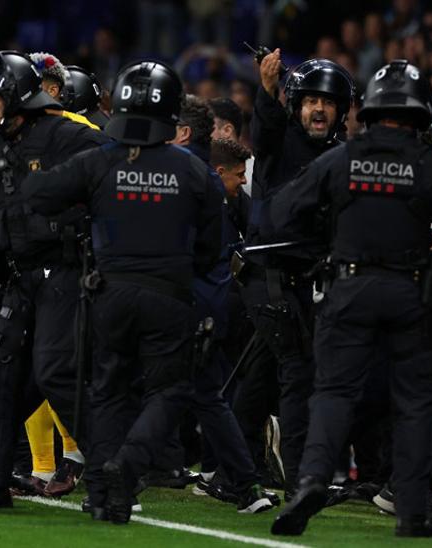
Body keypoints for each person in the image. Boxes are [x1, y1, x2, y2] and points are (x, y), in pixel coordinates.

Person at [269, 60, 432, 539]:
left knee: (333, 392)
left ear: (369, 108)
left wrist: (331, 227)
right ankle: (412, 512)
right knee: (413, 403)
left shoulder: (341, 158)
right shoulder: (431, 166)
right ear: (420, 111)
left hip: (348, 287)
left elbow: (282, 212)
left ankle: (311, 481)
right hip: (410, 292)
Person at [23, 60, 222, 523]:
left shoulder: (98, 160)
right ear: (172, 110)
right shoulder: (193, 172)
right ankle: (126, 466)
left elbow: (38, 194)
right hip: (170, 295)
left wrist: (83, 211)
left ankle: (102, 495)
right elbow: (213, 248)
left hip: (107, 293)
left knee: (107, 390)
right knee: (169, 391)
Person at [0, 51, 108, 507]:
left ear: (12, 94)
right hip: (18, 274)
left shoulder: (70, 135)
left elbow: (106, 191)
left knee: (55, 372)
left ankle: (113, 473)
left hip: (65, 271)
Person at [235, 51, 355, 494]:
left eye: (326, 103)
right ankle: (302, 476)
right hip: (273, 275)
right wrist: (266, 91)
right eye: (309, 101)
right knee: (298, 372)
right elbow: (263, 133)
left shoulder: (344, 154)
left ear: (341, 111)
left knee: (264, 374)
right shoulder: (279, 141)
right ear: (295, 105)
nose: (318, 109)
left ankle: (230, 464)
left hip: (308, 279)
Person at [167, 96, 277, 513]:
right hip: (203, 307)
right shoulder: (207, 189)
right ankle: (240, 482)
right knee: (201, 395)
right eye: (237, 175)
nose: (240, 182)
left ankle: (125, 473)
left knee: (187, 393)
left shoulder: (193, 185)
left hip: (195, 308)